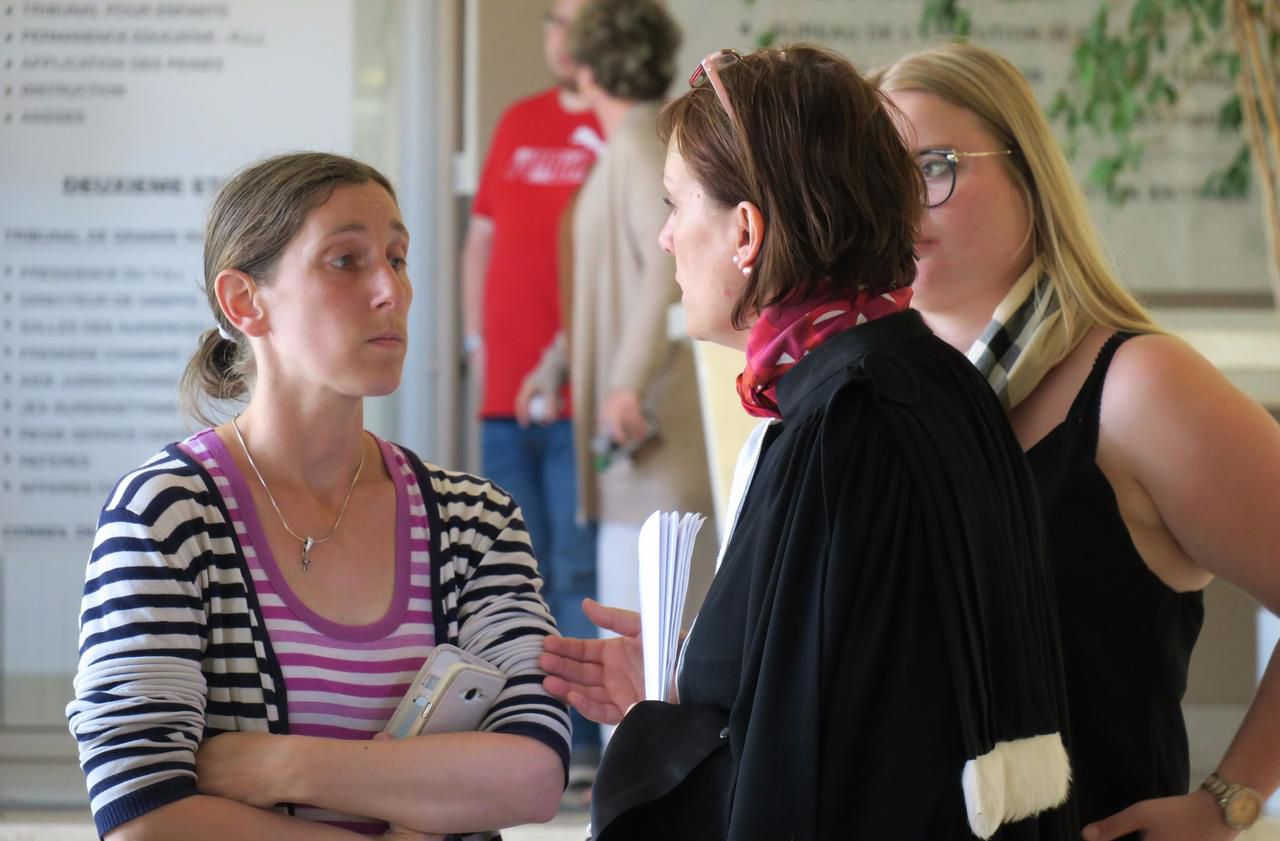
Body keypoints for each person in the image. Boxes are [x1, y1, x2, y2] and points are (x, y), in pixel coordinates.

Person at [539, 45, 1077, 841]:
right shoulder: (927, 377)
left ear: (745, 232)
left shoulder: (845, 423)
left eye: (675, 205)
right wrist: (683, 676)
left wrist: (660, 734)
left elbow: (802, 770)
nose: (664, 239)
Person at [66, 152, 568, 840]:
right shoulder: (167, 512)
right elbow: (142, 814)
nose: (391, 288)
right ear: (246, 301)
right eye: (345, 261)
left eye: (397, 257)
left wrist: (283, 765)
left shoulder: (474, 520)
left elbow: (533, 774)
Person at [874, 41, 1280, 841]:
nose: (901, 205)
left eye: (933, 166)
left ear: (1028, 174)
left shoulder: (1138, 386)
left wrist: (1231, 798)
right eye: (876, 179)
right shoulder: (887, 400)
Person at [520, 0, 716, 624]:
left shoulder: (637, 146)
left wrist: (625, 385)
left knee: (642, 645)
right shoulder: (637, 141)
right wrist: (556, 362)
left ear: (585, 62)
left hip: (650, 437)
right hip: (638, 435)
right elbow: (613, 281)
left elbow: (661, 275)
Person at [459, 0, 604, 784]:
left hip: (581, 394)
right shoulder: (519, 121)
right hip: (505, 389)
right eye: (550, 18)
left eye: (569, 18)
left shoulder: (620, 129)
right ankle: (518, 727)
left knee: (575, 570)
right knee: (508, 571)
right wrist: (479, 347)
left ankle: (581, 739)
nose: (555, 33)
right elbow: (480, 240)